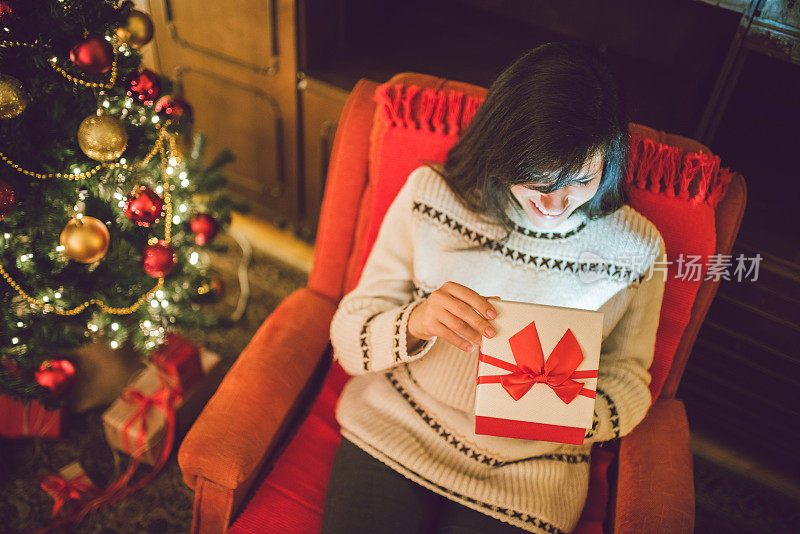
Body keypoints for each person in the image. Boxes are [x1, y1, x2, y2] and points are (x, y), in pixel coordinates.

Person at [322, 41, 667, 534]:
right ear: (504, 152)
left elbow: (630, 381)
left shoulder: (637, 248)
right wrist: (415, 322)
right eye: (536, 182)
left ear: (608, 162)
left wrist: (566, 414)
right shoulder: (431, 196)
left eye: (579, 181)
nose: (554, 205)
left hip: (531, 474)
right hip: (397, 428)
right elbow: (349, 332)